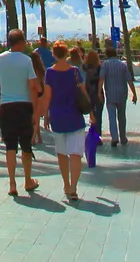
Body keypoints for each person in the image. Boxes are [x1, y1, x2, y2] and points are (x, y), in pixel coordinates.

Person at [0, 27, 42, 196]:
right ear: (21, 42)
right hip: (24, 105)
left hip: (7, 106)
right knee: (26, 146)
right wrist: (35, 110)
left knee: (10, 146)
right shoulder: (26, 61)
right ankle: (27, 180)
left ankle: (12, 183)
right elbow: (33, 87)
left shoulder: (0, 59)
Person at [42, 43, 91, 201]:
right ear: (66, 54)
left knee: (62, 153)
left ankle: (65, 184)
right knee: (75, 154)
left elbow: (48, 96)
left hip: (57, 115)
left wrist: (46, 114)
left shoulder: (50, 72)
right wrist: (91, 113)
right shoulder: (75, 71)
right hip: (75, 116)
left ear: (54, 55)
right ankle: (74, 188)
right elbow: (83, 92)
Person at [99, 42, 136, 147]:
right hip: (122, 94)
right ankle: (123, 137)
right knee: (122, 117)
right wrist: (134, 94)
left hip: (110, 94)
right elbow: (129, 80)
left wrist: (99, 92)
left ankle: (114, 138)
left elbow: (101, 79)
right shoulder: (122, 65)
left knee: (112, 117)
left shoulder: (105, 65)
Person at [83, 48, 105, 132]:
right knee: (98, 114)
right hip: (97, 90)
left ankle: (93, 131)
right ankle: (97, 133)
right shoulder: (99, 67)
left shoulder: (86, 67)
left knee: (91, 113)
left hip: (88, 91)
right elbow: (101, 80)